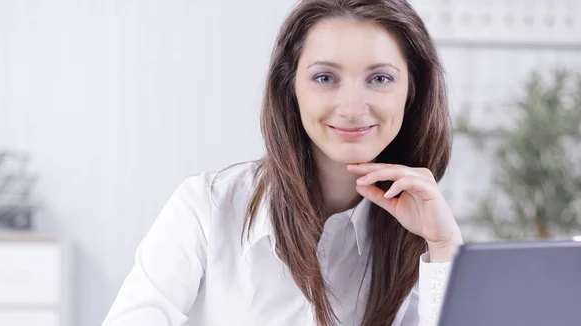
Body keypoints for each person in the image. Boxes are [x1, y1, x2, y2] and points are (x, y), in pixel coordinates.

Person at [102, 0, 463, 325]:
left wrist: (444, 246)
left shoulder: (422, 230)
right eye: (325, 78)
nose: (352, 107)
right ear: (290, 87)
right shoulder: (207, 207)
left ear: (412, 91)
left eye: (380, 78)